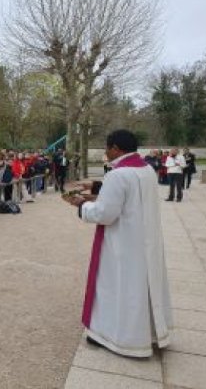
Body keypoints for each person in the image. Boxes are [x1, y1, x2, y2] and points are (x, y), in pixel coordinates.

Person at [64, 129, 172, 358]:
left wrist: (81, 205)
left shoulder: (117, 175)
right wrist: (94, 187)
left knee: (115, 288)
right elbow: (128, 196)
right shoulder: (146, 170)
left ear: (115, 148)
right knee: (142, 289)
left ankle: (114, 336)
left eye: (107, 148)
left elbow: (105, 213)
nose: (106, 152)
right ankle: (150, 333)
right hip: (144, 241)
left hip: (122, 243)